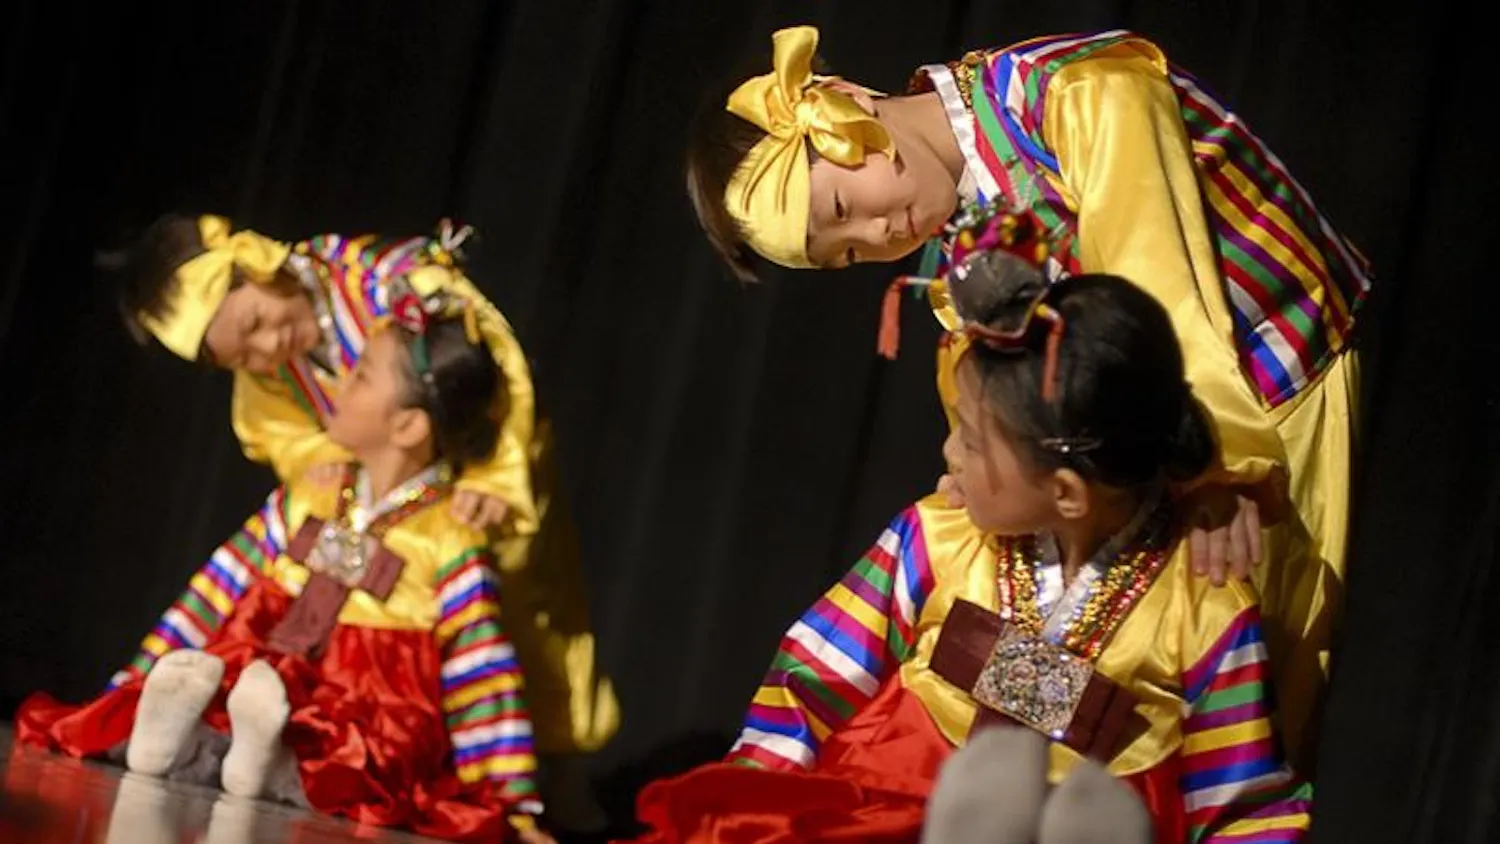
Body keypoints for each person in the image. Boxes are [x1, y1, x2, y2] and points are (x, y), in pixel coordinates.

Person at [685, 27, 1371, 763]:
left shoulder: (1075, 97)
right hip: (1133, 481)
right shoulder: (960, 260)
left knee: (1237, 703)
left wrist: (1216, 472)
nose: (879, 233)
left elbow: (1162, 300)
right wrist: (986, 473)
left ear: (847, 102)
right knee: (1061, 695)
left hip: (1251, 415)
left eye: (845, 203)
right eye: (849, 250)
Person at [626, 208, 1311, 843]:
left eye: (975, 443)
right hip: (891, 806)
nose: (949, 453)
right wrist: (755, 793)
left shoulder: (1204, 608)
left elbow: (1239, 803)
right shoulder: (939, 537)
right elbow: (814, 677)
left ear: (1067, 492)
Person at [111, 215, 617, 827]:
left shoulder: (384, 282)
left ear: (253, 265)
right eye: (241, 356)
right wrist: (320, 464)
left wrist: (493, 479)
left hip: (477, 487)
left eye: (255, 324)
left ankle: (540, 784)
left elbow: (500, 368)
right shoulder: (278, 391)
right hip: (369, 501)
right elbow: (223, 573)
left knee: (514, 633)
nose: (266, 350)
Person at [19, 298, 553, 842]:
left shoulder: (448, 534)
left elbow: (481, 668)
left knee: (353, 750)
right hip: (268, 661)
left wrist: (509, 799)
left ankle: (268, 761)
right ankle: (169, 735)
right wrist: (143, 673)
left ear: (409, 424)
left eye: (362, 376)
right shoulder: (311, 493)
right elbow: (220, 585)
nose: (341, 382)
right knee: (225, 687)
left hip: (367, 697)